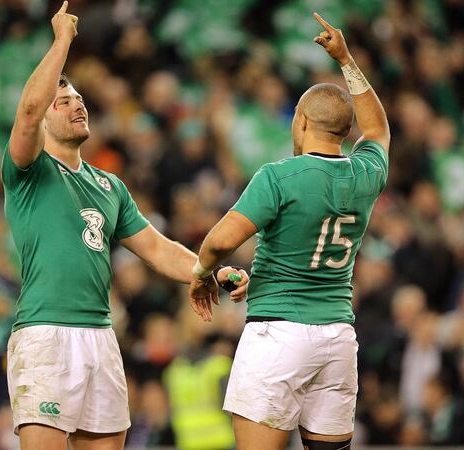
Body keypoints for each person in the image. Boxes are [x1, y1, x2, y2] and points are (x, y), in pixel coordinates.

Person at [1, 3, 246, 450]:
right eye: (65, 101)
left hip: (101, 335)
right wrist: (62, 41)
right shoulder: (28, 170)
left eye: (80, 99)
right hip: (45, 334)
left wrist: (207, 270)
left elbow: (157, 248)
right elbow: (29, 110)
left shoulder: (108, 185)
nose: (77, 105)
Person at [190, 12, 390, 450]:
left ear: (300, 122)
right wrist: (346, 59)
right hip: (337, 336)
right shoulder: (367, 172)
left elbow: (221, 240)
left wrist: (203, 272)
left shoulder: (279, 176)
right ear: (345, 131)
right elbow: (378, 127)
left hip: (278, 333)